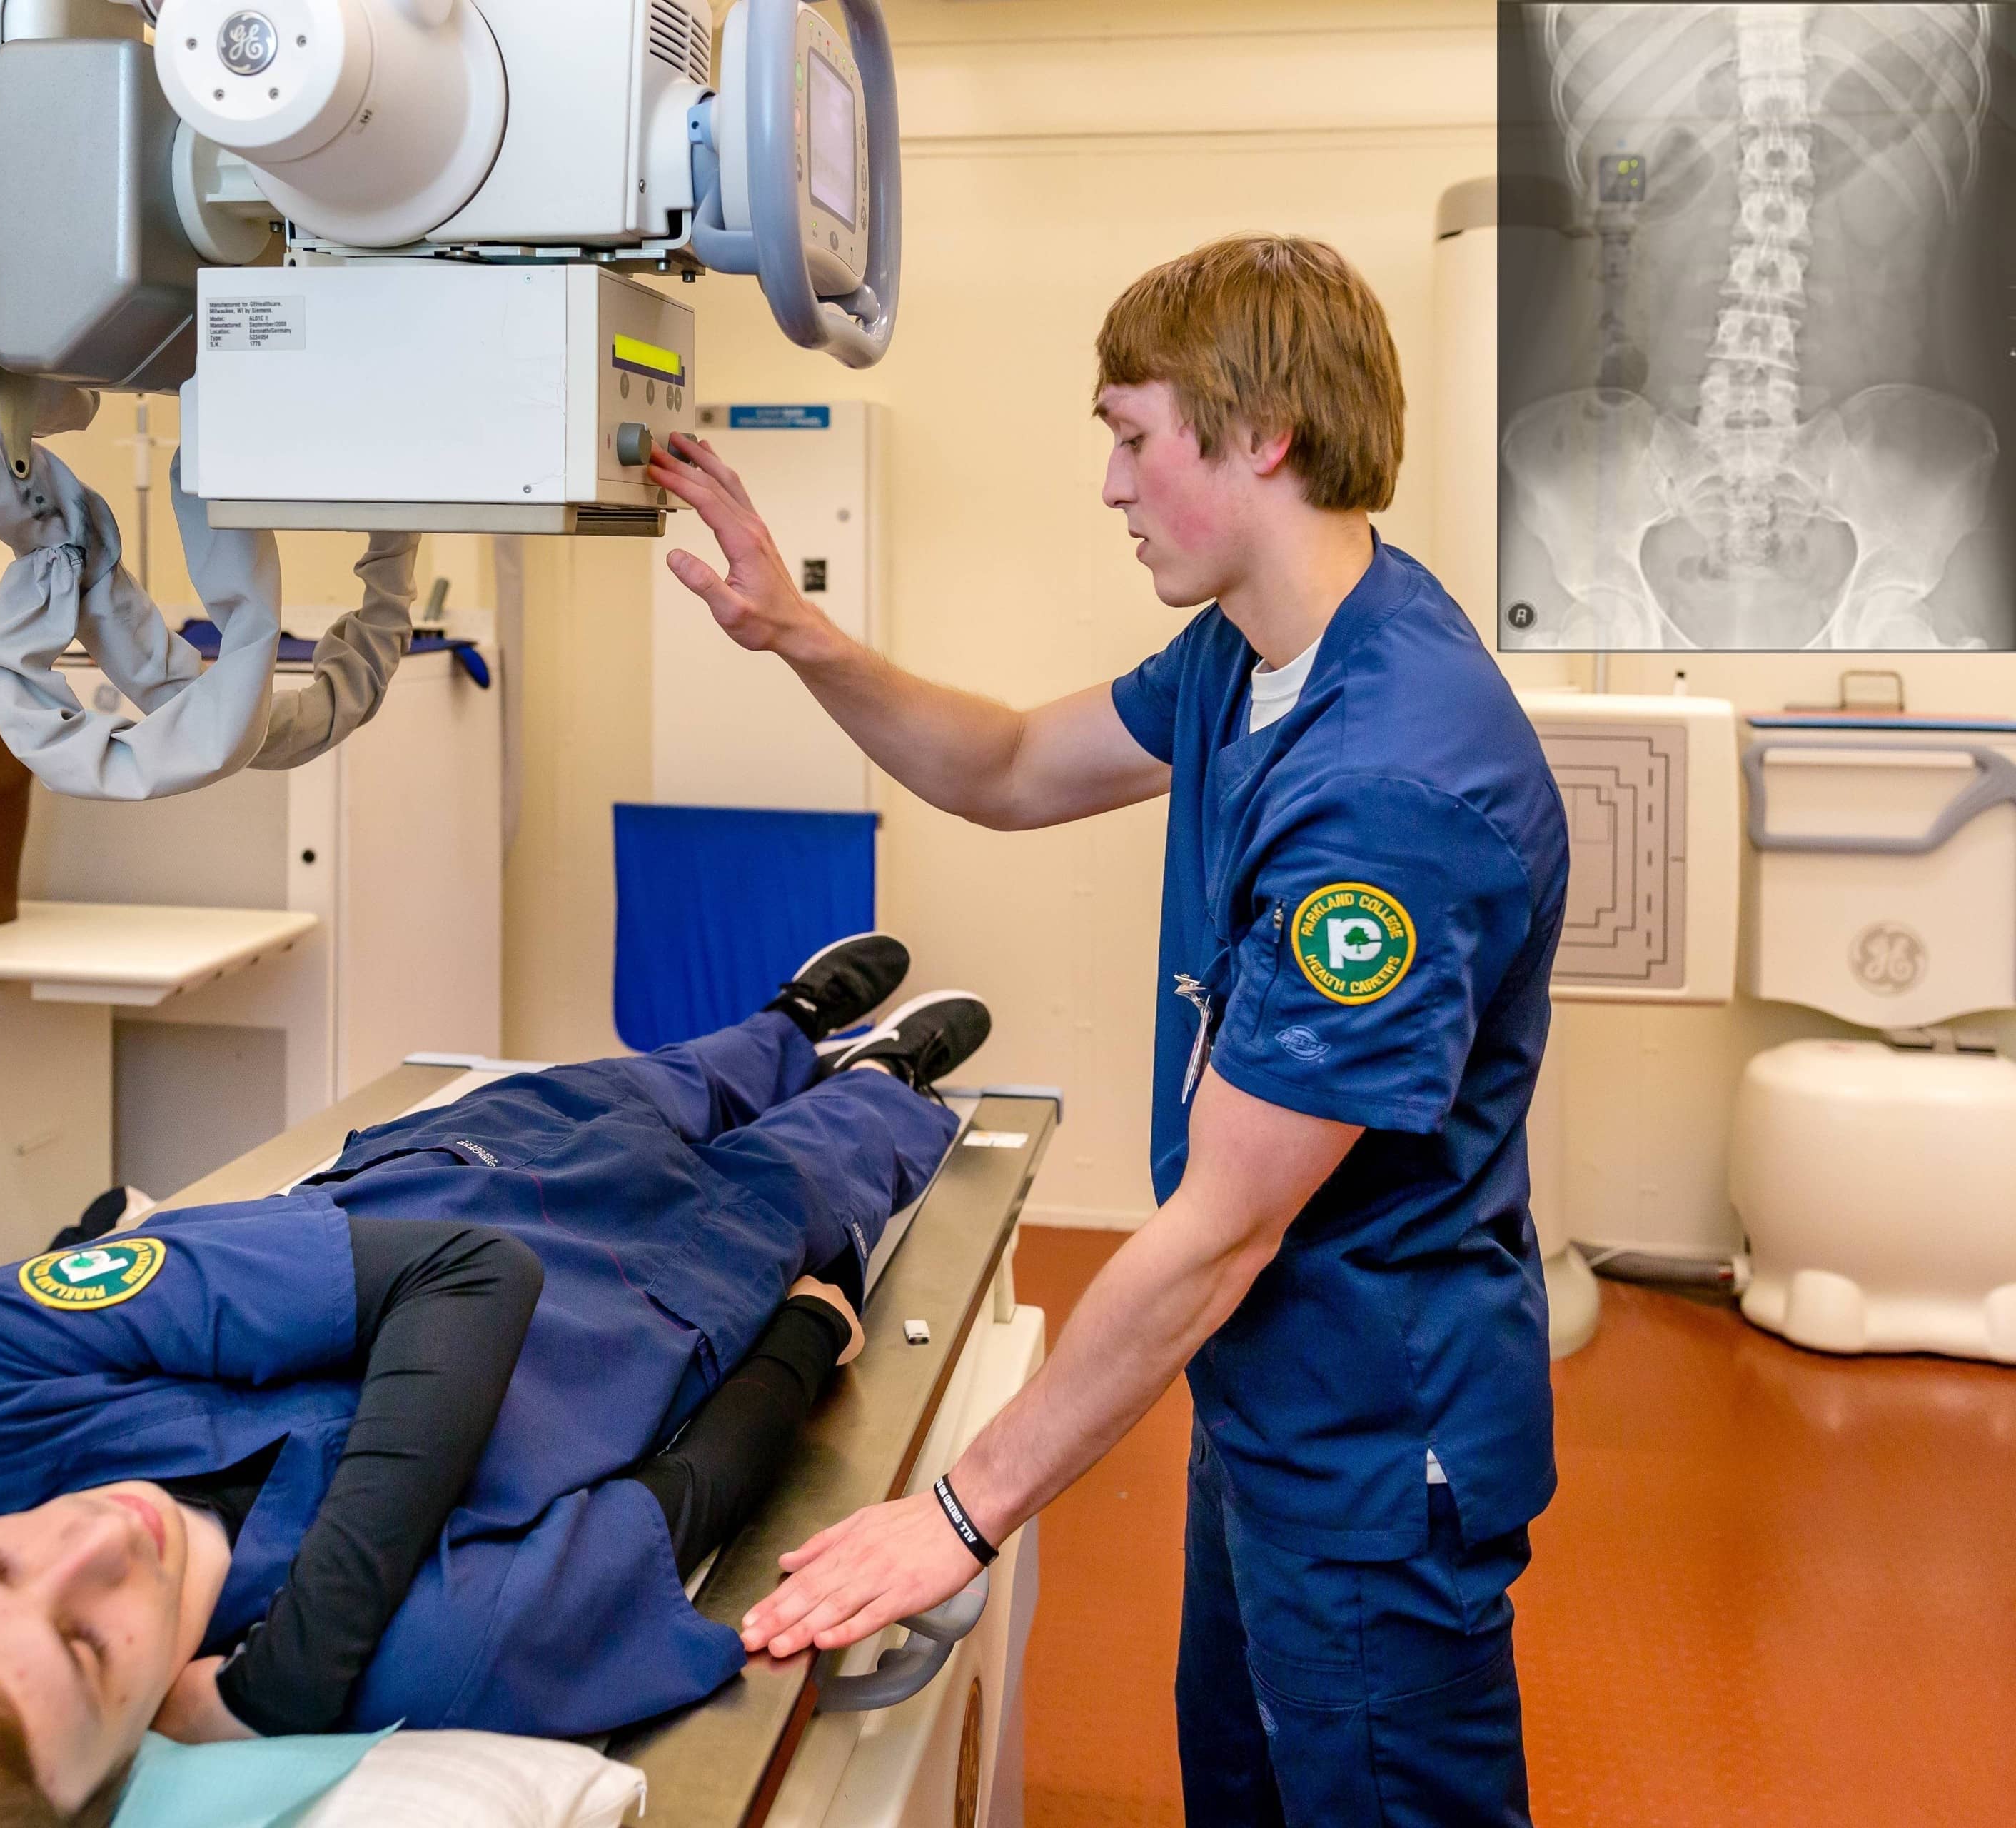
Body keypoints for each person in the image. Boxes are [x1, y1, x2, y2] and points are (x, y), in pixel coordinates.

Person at [649, 233, 1569, 1827]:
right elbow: (1005, 764)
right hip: (1269, 1392)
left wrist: (958, 1509)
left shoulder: (1395, 790)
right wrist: (796, 632)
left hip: (1369, 1436)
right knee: (1242, 1776)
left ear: (1260, 431)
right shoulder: (1254, 658)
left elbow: (1221, 1228)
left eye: (1132, 434)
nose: (1111, 483)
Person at [0, 938, 994, 1826]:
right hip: (674, 1285)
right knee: (845, 1152)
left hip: (463, 1172)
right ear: (120, 1770)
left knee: (681, 1077)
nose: (95, 1545)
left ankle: (794, 1017)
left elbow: (467, 1273)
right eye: (84, 1647)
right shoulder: (442, 1657)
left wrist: (293, 1669)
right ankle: (882, 1073)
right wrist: (808, 1340)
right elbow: (689, 1496)